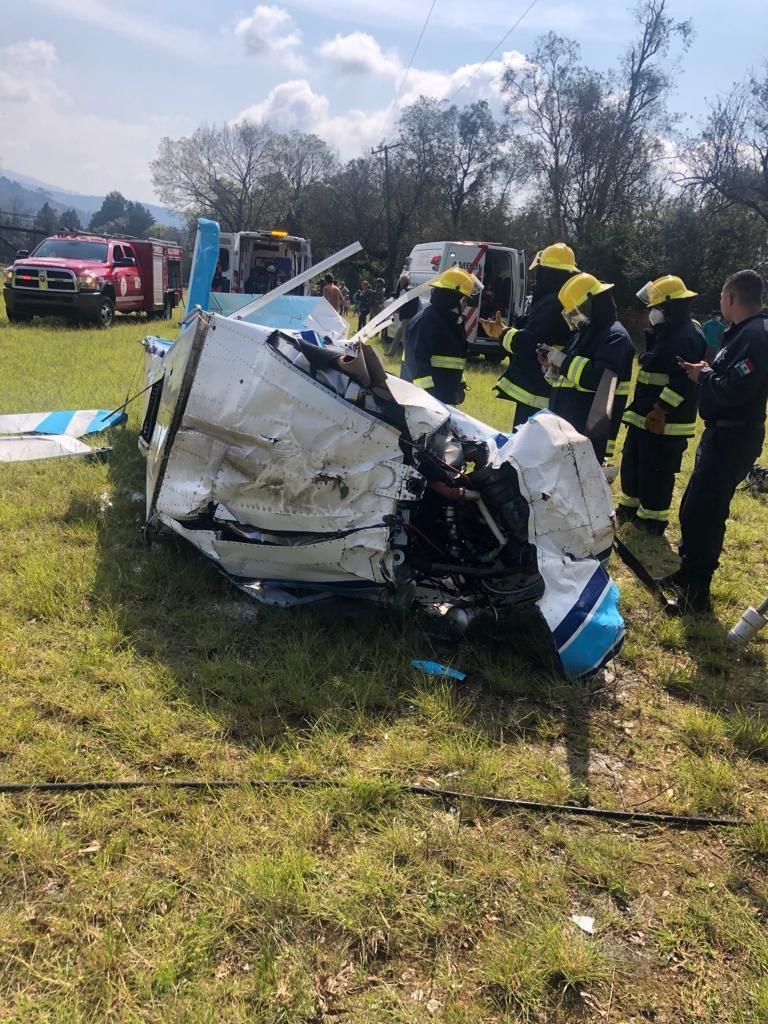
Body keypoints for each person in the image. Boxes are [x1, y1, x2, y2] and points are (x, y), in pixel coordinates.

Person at [661, 270, 768, 615]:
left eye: (722, 298)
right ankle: (687, 574)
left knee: (706, 514)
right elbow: (727, 378)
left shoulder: (755, 337)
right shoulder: (740, 334)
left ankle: (697, 597)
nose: (720, 304)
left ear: (731, 298)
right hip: (721, 433)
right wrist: (705, 371)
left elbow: (735, 389)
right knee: (693, 507)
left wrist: (704, 376)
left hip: (733, 436)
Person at [617, 275, 707, 535]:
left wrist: (660, 409)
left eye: (655, 308)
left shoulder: (686, 336)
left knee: (656, 472)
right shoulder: (669, 332)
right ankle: (630, 508)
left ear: (668, 307)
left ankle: (651, 522)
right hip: (645, 415)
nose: (651, 313)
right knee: (634, 463)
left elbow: (683, 382)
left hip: (665, 422)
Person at [538, 273, 634, 464]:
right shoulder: (582, 335)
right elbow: (569, 376)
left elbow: (597, 379)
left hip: (590, 433)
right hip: (566, 428)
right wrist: (551, 366)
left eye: (576, 309)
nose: (574, 315)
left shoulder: (616, 337)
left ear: (591, 304)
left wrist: (562, 360)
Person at [495, 243, 578, 426]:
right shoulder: (569, 300)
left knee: (526, 447)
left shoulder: (552, 303)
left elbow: (529, 341)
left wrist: (503, 334)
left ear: (546, 273)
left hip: (537, 389)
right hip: (554, 385)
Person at [401, 267, 480, 405]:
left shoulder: (452, 321)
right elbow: (416, 361)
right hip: (425, 401)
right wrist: (427, 397)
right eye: (464, 299)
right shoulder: (427, 321)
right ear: (452, 297)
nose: (466, 304)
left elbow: (454, 359)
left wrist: (460, 384)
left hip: (443, 397)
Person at [385, 272, 420, 358]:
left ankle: (407, 357)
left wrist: (393, 309)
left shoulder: (403, 291)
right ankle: (391, 353)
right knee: (399, 334)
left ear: (402, 282)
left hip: (406, 317)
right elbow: (418, 304)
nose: (400, 283)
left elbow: (399, 303)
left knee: (404, 338)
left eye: (400, 281)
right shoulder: (414, 290)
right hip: (413, 316)